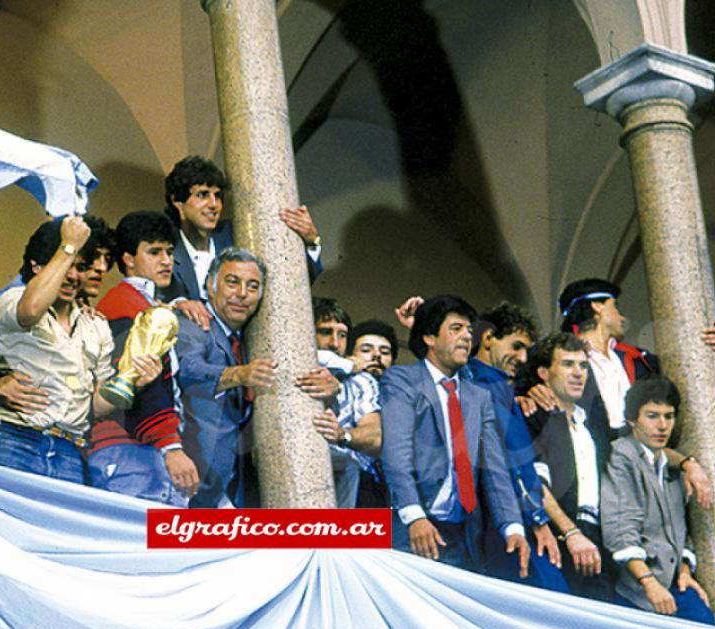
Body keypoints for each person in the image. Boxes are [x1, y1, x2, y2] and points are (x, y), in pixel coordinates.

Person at [0, 216, 159, 483]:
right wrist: (68, 246)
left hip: (69, 451)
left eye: (80, 267)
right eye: (66, 265)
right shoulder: (15, 300)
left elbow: (96, 405)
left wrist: (134, 382)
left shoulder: (96, 325)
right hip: (17, 439)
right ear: (37, 267)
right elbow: (31, 309)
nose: (72, 276)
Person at [380, 295, 532, 575]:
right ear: (429, 337)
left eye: (468, 331)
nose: (466, 337)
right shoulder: (403, 381)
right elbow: (396, 454)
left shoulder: (479, 397)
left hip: (462, 538)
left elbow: (496, 469)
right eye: (456, 329)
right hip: (413, 530)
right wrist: (414, 516)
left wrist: (513, 527)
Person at [88, 211, 199, 504]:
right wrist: (170, 446)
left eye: (169, 252)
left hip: (146, 449)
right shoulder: (121, 303)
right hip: (128, 449)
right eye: (154, 251)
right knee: (142, 547)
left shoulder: (149, 304)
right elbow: (140, 382)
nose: (166, 260)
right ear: (128, 258)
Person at [554, 278, 715, 433]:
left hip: (637, 460)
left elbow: (696, 388)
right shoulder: (557, 358)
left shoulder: (636, 359)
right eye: (615, 307)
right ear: (597, 306)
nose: (622, 317)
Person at [462, 303, 563, 584]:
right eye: (516, 346)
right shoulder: (488, 387)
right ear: (488, 338)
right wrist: (538, 520)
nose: (522, 358)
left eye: (527, 351)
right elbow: (514, 461)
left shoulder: (494, 386)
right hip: (510, 521)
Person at [601, 378, 714, 624]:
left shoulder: (667, 463)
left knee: (709, 628)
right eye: (652, 416)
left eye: (669, 416)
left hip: (674, 583)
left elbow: (682, 531)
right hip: (635, 589)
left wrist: (685, 570)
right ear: (632, 419)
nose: (662, 425)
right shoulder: (622, 455)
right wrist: (649, 583)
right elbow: (620, 527)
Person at [161, 156, 324, 315]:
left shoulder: (238, 235)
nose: (213, 205)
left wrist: (312, 242)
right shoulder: (164, 248)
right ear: (177, 201)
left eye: (217, 196)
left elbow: (290, 283)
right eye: (203, 195)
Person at [174, 247, 273, 507]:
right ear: (210, 285)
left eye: (252, 287)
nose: (242, 294)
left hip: (229, 485)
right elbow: (188, 369)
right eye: (232, 282)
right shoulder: (195, 322)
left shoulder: (248, 339)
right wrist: (238, 374)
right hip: (188, 481)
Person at [525, 332, 614, 600]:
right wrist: (571, 533)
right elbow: (533, 483)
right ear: (543, 372)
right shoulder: (533, 414)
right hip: (557, 534)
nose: (578, 373)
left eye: (583, 365)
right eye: (567, 364)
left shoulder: (596, 426)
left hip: (598, 538)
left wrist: (687, 462)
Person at [312, 318, 390, 508]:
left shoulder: (367, 384)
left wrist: (342, 434)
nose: (375, 357)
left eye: (385, 352)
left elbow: (374, 437)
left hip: (364, 486)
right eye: (366, 350)